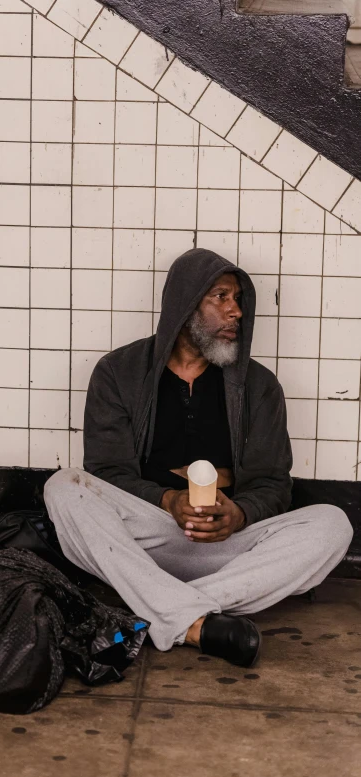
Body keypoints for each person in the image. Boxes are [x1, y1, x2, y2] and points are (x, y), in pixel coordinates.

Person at [44, 248, 353, 667]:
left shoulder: (260, 386)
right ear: (185, 304)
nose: (236, 312)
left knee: (333, 524)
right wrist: (168, 501)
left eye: (239, 300)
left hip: (228, 547)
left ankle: (159, 613)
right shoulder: (119, 372)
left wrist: (240, 514)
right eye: (221, 297)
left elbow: (273, 484)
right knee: (64, 486)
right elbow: (109, 472)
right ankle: (189, 613)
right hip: (146, 535)